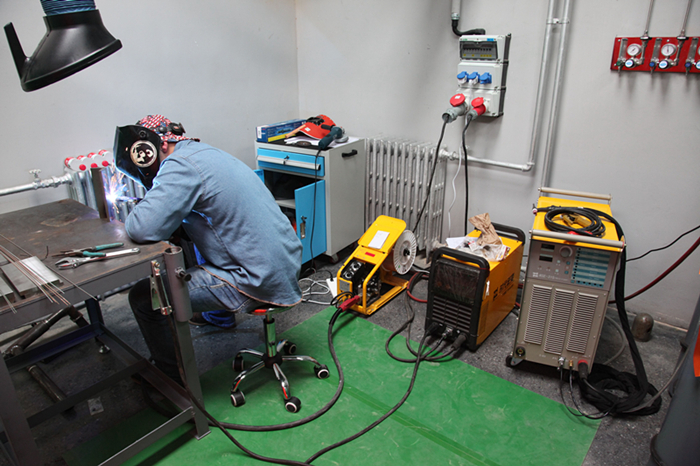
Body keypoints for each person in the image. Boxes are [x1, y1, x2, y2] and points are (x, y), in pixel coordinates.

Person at [113, 114, 303, 382]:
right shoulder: (204, 152)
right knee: (193, 234)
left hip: (257, 278)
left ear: (157, 147)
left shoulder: (179, 165)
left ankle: (173, 382)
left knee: (144, 297)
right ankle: (218, 316)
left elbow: (142, 228)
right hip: (286, 261)